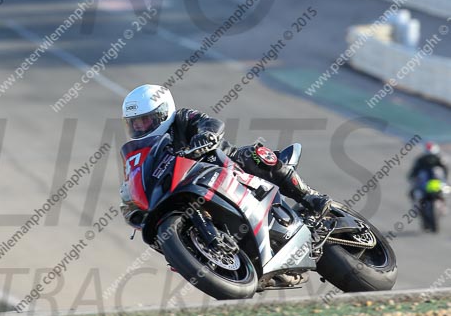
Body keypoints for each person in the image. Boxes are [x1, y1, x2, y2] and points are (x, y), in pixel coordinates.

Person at [119, 84, 331, 228]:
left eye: (144, 120)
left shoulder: (182, 118)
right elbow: (138, 178)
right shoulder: (144, 152)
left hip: (226, 166)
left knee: (255, 154)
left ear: (163, 112)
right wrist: (132, 206)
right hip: (189, 191)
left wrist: (206, 136)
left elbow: (209, 122)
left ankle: (309, 196)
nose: (139, 127)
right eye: (134, 123)